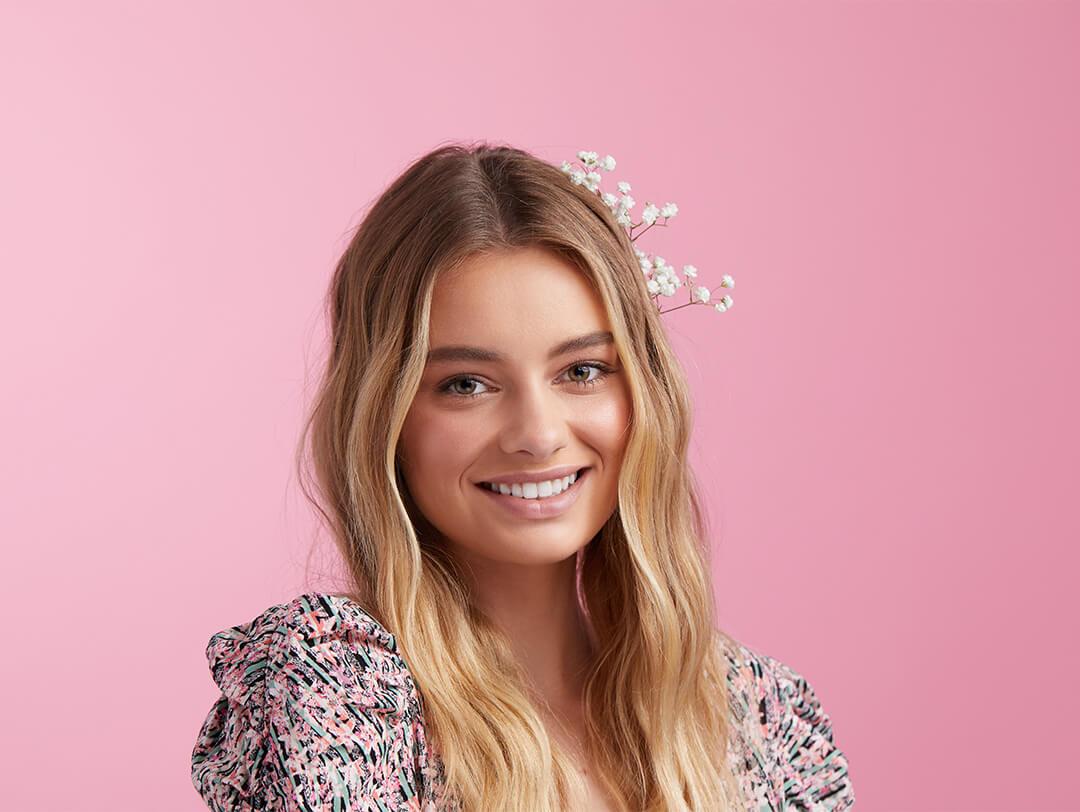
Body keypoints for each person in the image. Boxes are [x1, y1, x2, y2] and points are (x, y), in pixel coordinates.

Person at [190, 142, 855, 810]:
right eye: (466, 384)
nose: (538, 434)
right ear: (385, 417)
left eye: (582, 371)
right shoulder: (339, 698)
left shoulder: (760, 718)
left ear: (645, 394)